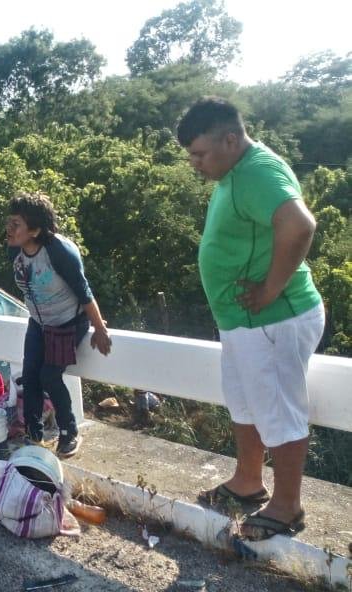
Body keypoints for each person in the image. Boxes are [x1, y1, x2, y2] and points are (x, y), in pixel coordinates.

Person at [177, 97, 324, 541]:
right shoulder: (234, 172)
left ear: (230, 139)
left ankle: (287, 506)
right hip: (245, 322)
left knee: (278, 410)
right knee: (245, 404)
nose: (195, 165)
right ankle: (247, 481)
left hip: (273, 318)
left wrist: (271, 288)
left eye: (200, 154)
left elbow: (299, 225)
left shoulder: (257, 171)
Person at [6, 193, 112, 458]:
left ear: (35, 230)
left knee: (50, 376)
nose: (9, 228)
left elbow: (84, 291)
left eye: (16, 224)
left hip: (68, 322)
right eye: (9, 221)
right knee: (30, 376)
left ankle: (69, 433)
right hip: (38, 322)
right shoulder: (15, 249)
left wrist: (99, 329)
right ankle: (33, 436)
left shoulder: (58, 252)